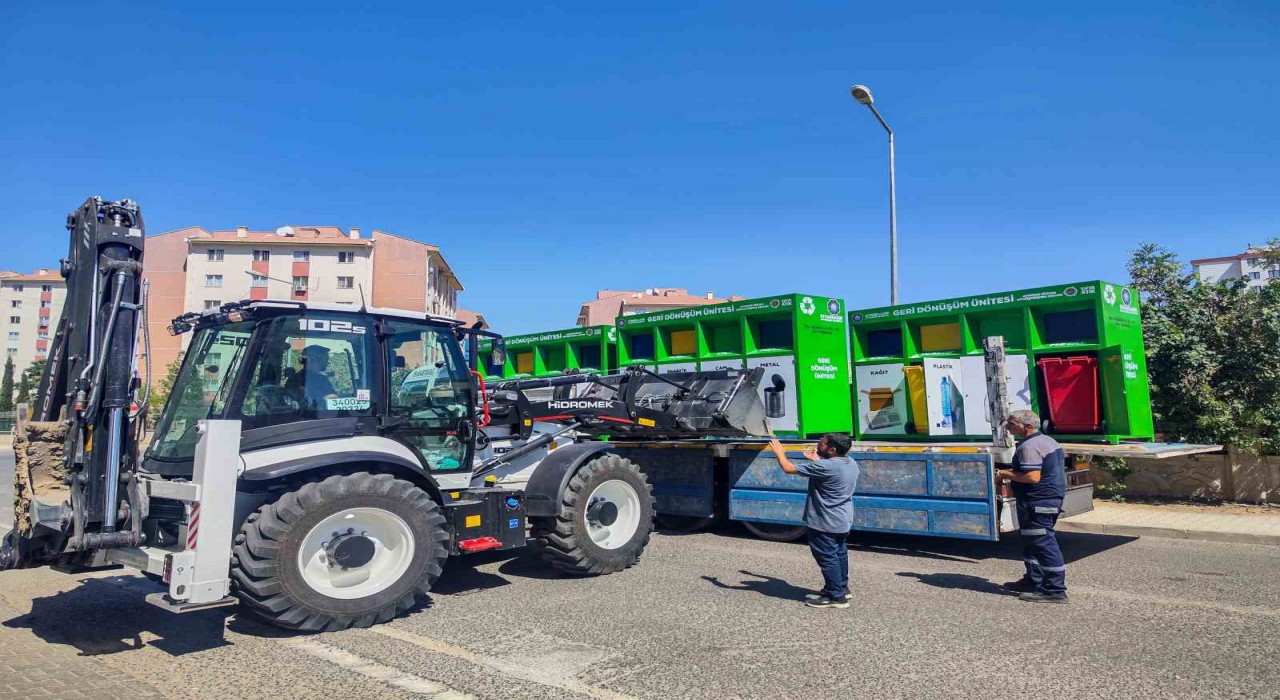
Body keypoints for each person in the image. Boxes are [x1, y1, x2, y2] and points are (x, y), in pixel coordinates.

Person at [767, 433, 859, 609]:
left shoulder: (826, 467)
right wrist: (816, 459)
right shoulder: (850, 463)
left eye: (821, 444)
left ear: (832, 450)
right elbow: (829, 470)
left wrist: (779, 452)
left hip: (825, 521)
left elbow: (788, 468)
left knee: (827, 557)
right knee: (839, 553)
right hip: (842, 519)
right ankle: (841, 587)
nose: (818, 445)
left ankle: (836, 597)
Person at [998, 409, 1069, 604]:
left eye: (1012, 423)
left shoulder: (1029, 447)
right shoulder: (1048, 441)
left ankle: (1054, 589)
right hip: (1047, 500)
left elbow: (1032, 477)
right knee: (1032, 543)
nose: (1007, 426)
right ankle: (1033, 580)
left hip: (1037, 502)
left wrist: (1005, 475)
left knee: (1043, 544)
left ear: (1027, 426)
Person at [286, 344, 338, 410]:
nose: (327, 362)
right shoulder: (321, 380)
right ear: (312, 359)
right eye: (325, 358)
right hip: (318, 417)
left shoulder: (292, 379)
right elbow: (332, 401)